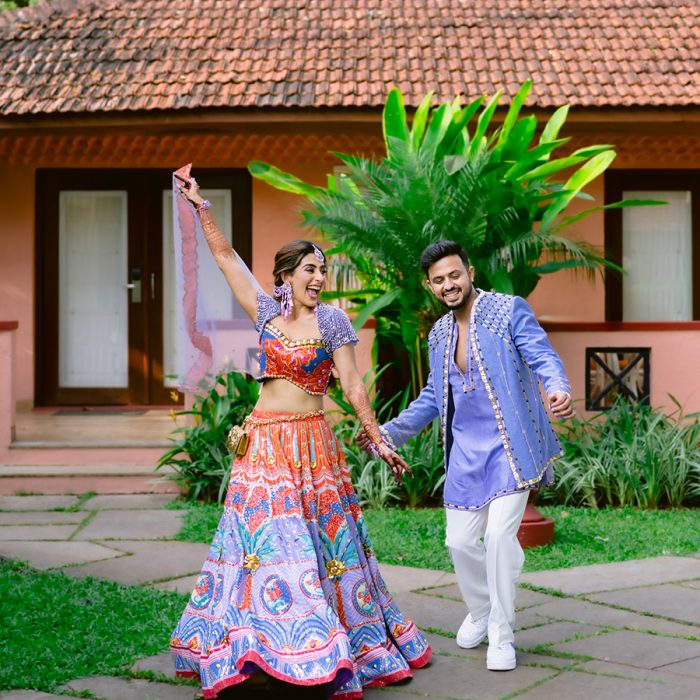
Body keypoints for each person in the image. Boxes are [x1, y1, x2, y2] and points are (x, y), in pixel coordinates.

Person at [170, 170, 431, 699]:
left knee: (317, 546)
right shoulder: (266, 314)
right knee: (263, 545)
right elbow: (226, 259)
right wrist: (202, 209)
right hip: (263, 444)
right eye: (311, 269)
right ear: (286, 275)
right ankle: (262, 645)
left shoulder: (333, 322)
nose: (319, 277)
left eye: (323, 270)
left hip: (312, 447)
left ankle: (317, 646)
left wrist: (377, 437)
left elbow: (352, 385)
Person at [359, 240, 573, 672]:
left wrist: (557, 387)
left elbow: (542, 355)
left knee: (498, 539)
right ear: (430, 286)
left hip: (510, 448)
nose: (448, 284)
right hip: (465, 454)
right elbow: (433, 397)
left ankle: (501, 633)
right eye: (439, 280)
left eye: (454, 275)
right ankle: (481, 609)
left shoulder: (508, 310)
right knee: (458, 542)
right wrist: (388, 433)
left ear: (470, 272)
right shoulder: (439, 334)